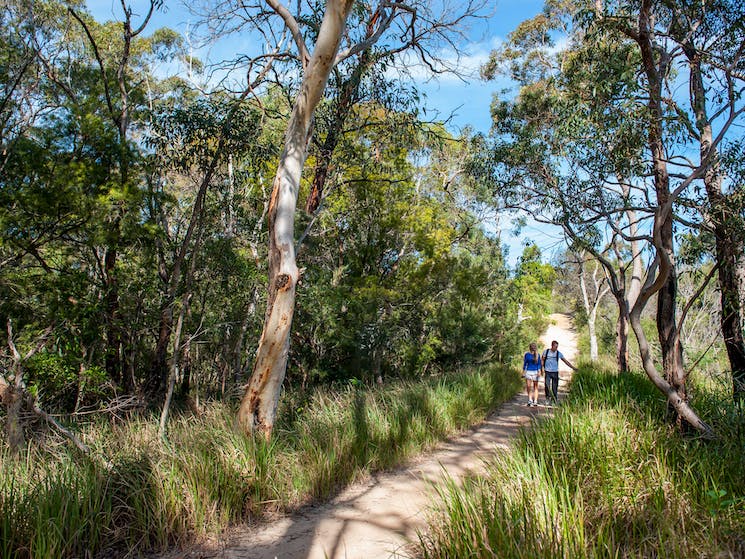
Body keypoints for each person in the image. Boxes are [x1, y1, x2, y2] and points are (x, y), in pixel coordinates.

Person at [541, 340, 577, 405]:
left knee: (554, 387)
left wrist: (573, 368)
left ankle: (554, 400)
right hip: (547, 372)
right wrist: (541, 369)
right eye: (555, 347)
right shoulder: (546, 352)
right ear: (552, 346)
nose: (556, 348)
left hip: (555, 372)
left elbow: (565, 361)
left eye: (557, 347)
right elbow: (542, 360)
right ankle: (547, 398)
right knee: (547, 385)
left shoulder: (558, 353)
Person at [522, 342, 542, 407]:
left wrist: (539, 371)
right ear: (530, 348)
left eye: (534, 347)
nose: (533, 348)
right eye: (532, 347)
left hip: (535, 372)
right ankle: (530, 400)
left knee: (535, 387)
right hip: (528, 372)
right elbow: (525, 364)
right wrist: (524, 372)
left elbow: (539, 364)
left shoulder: (538, 355)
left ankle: (535, 401)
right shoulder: (527, 355)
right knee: (528, 386)